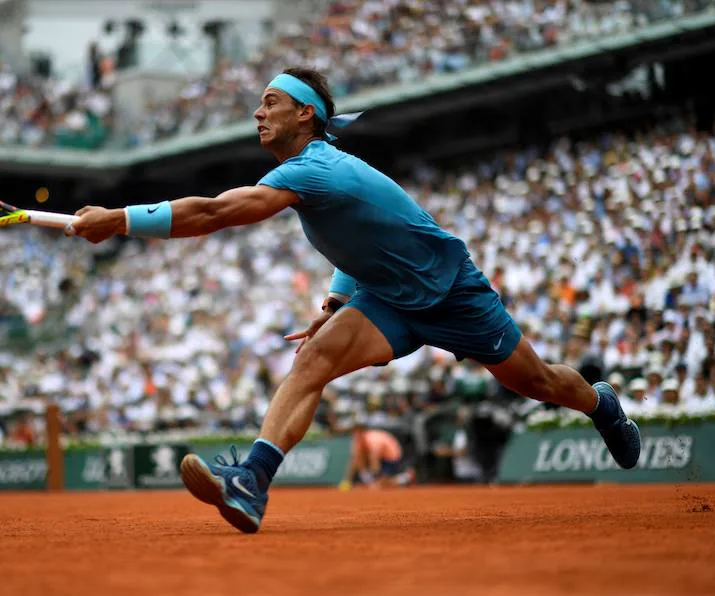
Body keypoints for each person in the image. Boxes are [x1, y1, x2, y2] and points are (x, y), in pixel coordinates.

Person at [66, 66, 642, 534]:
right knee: (312, 361)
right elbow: (362, 241)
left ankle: (600, 405)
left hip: (452, 292)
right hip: (387, 297)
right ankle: (252, 482)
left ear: (305, 113)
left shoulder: (315, 169)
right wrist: (337, 303)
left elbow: (215, 212)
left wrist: (119, 220)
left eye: (270, 102)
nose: (258, 114)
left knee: (535, 382)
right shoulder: (308, 176)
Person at [340, 420, 414, 490]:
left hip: (392, 457)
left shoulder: (373, 439)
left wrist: (373, 479)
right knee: (356, 459)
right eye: (354, 431)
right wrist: (351, 479)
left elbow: (375, 462)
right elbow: (354, 458)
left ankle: (405, 477)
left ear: (363, 431)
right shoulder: (356, 440)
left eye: (358, 431)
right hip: (381, 458)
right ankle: (349, 482)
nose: (355, 434)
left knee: (381, 485)